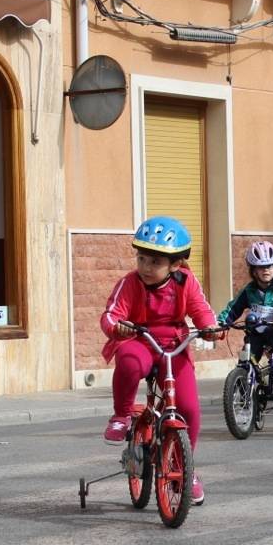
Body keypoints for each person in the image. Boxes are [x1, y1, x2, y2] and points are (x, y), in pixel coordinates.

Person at [100, 216, 219, 505]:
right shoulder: (129, 283)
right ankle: (121, 415)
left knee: (189, 409)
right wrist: (118, 327)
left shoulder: (185, 281)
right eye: (141, 259)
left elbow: (201, 309)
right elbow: (110, 315)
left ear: (175, 264)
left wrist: (212, 327)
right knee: (127, 361)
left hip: (174, 346)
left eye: (155, 262)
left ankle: (184, 470)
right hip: (140, 341)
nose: (146, 267)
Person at [219, 241, 273, 383]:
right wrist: (222, 322)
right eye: (261, 267)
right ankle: (245, 388)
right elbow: (234, 308)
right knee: (247, 356)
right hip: (258, 331)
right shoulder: (249, 290)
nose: (265, 270)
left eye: (269, 266)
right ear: (254, 271)